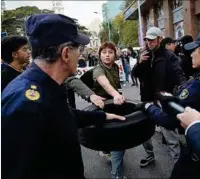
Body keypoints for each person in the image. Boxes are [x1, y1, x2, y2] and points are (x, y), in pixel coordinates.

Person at [1, 14, 125, 179]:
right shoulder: (26, 104)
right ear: (66, 53)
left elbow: (63, 115)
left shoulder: (48, 85)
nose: (80, 55)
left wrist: (102, 116)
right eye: (78, 50)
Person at [142, 32, 200, 178]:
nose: (191, 54)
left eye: (194, 51)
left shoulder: (199, 85)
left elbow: (169, 119)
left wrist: (148, 108)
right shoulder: (146, 56)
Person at [133, 27, 185, 167]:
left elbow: (179, 75)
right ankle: (150, 155)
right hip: (146, 99)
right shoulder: (144, 55)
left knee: (170, 137)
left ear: (160, 39)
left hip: (162, 101)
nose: (149, 43)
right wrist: (139, 63)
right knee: (144, 132)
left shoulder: (169, 56)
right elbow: (135, 74)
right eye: (147, 40)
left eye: (152, 40)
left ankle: (177, 167)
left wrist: (182, 90)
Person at [92, 42, 126, 179]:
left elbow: (117, 85)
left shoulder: (116, 67)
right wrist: (116, 94)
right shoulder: (98, 69)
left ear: (115, 54)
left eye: (110, 52)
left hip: (115, 106)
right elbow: (104, 83)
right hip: (102, 109)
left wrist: (119, 94)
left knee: (113, 143)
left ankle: (106, 151)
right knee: (118, 144)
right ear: (99, 55)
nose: (107, 55)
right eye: (104, 52)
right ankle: (116, 175)